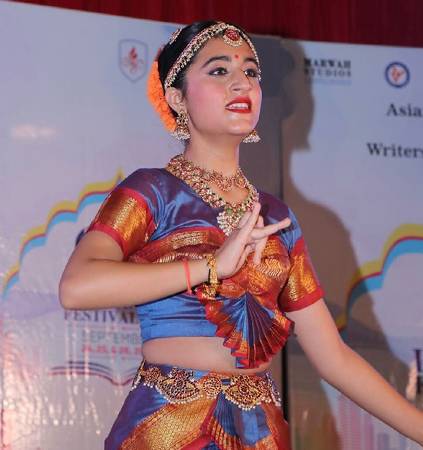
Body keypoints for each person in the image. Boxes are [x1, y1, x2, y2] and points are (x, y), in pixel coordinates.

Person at [59, 20, 423, 450]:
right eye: (219, 71)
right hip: (168, 426)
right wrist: (211, 266)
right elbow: (77, 287)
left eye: (251, 72)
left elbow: (334, 359)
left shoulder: (276, 217)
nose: (242, 83)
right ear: (176, 97)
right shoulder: (152, 192)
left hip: (259, 432)